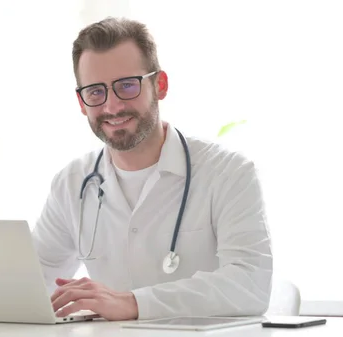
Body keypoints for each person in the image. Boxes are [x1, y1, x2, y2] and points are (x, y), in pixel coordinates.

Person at [31, 17, 273, 322]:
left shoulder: (228, 173)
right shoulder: (71, 183)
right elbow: (30, 282)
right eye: (95, 92)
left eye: (127, 86)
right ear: (81, 102)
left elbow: (249, 285)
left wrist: (134, 303)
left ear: (160, 85)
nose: (112, 106)